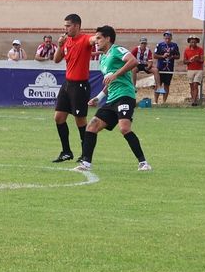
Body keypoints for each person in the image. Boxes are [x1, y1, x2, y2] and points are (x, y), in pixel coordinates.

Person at [78, 25, 150, 172]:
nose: (96, 41)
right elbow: (108, 80)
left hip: (125, 95)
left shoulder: (117, 50)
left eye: (99, 38)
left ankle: (143, 163)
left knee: (124, 128)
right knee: (92, 125)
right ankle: (86, 163)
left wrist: (116, 74)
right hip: (111, 99)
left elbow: (133, 61)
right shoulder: (103, 58)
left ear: (108, 39)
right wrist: (98, 97)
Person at [51, 13, 93, 163]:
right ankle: (66, 151)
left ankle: (85, 154)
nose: (66, 29)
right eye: (65, 26)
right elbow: (56, 60)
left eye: (68, 26)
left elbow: (94, 39)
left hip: (80, 85)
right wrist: (60, 45)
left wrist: (102, 38)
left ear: (77, 26)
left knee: (80, 121)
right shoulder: (66, 41)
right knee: (58, 117)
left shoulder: (85, 39)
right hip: (67, 84)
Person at [153, 31, 179, 103]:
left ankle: (164, 101)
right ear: (164, 38)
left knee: (167, 85)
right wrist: (162, 56)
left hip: (169, 68)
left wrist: (172, 56)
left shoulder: (174, 45)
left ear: (171, 38)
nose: (167, 40)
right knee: (158, 84)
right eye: (166, 38)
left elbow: (178, 56)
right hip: (161, 67)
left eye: (169, 38)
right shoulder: (159, 45)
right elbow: (155, 55)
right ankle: (156, 101)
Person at [183, 36, 205, 106]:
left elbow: (202, 60)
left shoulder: (200, 50)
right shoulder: (186, 50)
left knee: (196, 85)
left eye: (195, 42)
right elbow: (184, 61)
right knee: (191, 86)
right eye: (192, 42)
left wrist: (197, 59)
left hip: (198, 70)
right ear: (189, 42)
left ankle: (194, 101)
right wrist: (189, 61)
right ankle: (193, 100)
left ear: (197, 42)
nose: (193, 43)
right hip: (190, 69)